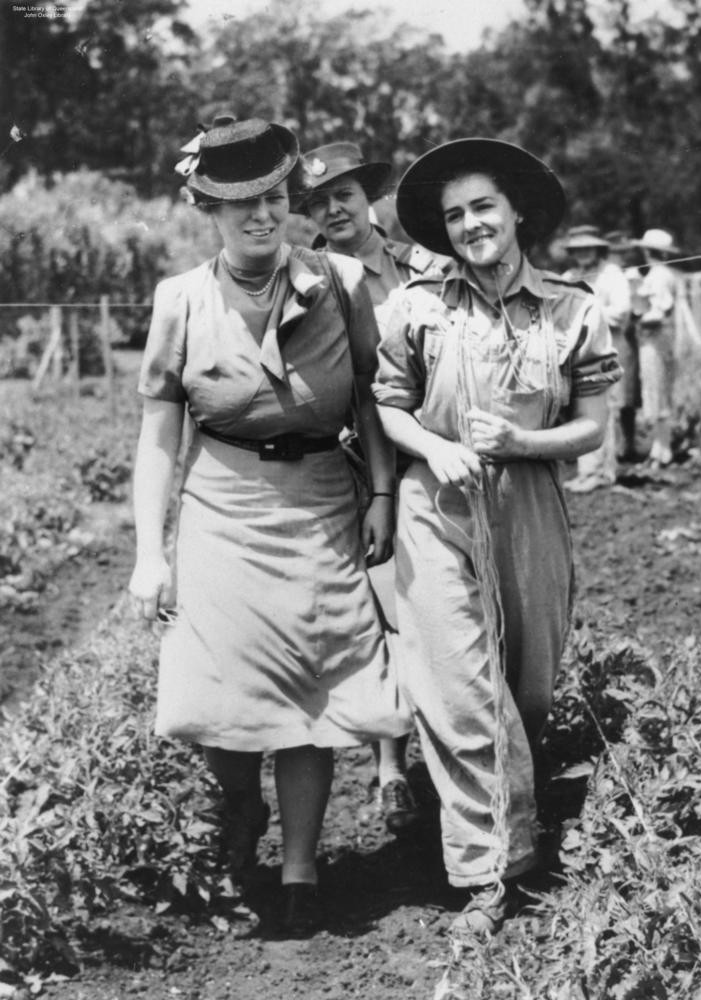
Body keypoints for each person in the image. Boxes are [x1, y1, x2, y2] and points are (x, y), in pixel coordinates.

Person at [128, 115, 410, 938]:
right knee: (227, 684)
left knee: (311, 684)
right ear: (206, 211)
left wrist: (382, 495)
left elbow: (370, 393)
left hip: (323, 498)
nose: (260, 216)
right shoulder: (179, 299)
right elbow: (158, 434)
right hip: (221, 504)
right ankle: (237, 803)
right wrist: (152, 555)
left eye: (274, 199)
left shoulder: (344, 281)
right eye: (239, 204)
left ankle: (300, 869)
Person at [372, 138, 621, 934]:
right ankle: (485, 874)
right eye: (454, 215)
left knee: (530, 681)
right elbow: (387, 405)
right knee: (456, 684)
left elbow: (590, 428)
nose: (471, 224)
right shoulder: (417, 305)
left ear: (516, 211)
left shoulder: (573, 308)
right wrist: (434, 447)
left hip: (529, 500)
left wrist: (522, 445)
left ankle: (527, 821)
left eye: (483, 207)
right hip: (435, 500)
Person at [300, 141, 447, 835]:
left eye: (344, 196)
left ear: (369, 198)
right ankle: (391, 768)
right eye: (317, 203)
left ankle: (457, 751)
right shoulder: (305, 275)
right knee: (385, 611)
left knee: (446, 607)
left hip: (433, 455)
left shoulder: (424, 267)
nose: (333, 210)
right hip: (358, 464)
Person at [561, 225, 631, 491]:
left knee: (604, 407)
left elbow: (622, 312)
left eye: (587, 248)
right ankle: (586, 470)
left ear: (598, 248)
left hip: (608, 347)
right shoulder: (570, 276)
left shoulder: (612, 274)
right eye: (577, 250)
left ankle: (603, 472)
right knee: (581, 408)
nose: (582, 254)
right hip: (578, 351)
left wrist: (587, 312)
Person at [632, 229, 681, 468]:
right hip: (653, 339)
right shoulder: (659, 273)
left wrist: (636, 319)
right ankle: (658, 448)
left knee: (657, 388)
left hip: (655, 338)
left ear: (647, 250)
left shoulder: (659, 275)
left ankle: (664, 450)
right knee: (655, 390)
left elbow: (660, 312)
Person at [604, 230, 643, 461]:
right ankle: (616, 447)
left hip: (630, 336)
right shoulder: (610, 273)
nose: (623, 255)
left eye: (626, 251)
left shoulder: (631, 273)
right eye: (618, 251)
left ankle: (628, 444)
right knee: (615, 394)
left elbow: (637, 307)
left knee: (629, 395)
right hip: (617, 336)